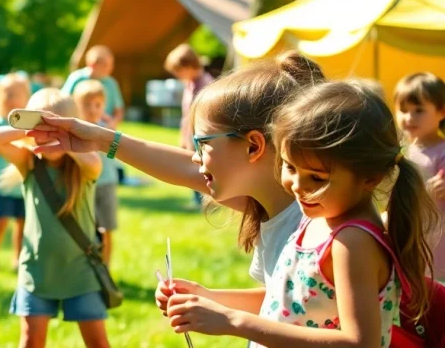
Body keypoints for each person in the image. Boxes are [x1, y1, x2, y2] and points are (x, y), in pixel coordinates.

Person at [29, 52, 325, 320]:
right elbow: (284, 301)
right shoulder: (272, 206)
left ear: (253, 147)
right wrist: (206, 298)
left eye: (203, 144)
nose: (195, 157)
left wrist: (230, 322)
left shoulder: (320, 228)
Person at [161, 81, 438, 347]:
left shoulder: (351, 243)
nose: (297, 186)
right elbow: (290, 301)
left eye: (317, 178)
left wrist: (233, 321)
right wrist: (210, 299)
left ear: (370, 177)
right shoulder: (317, 217)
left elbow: (359, 342)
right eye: (290, 167)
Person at [0, 89, 110, 348]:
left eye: (58, 129)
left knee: (98, 343)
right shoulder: (30, 163)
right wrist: (32, 125)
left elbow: (95, 161)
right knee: (32, 341)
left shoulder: (85, 166)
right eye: (42, 128)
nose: (50, 136)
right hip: (37, 272)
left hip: (80, 270)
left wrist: (66, 138)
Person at [395, 72, 445, 281]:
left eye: (419, 111)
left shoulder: (442, 151)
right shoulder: (400, 152)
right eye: (403, 110)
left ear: (441, 111)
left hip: (438, 241)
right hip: (409, 235)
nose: (409, 117)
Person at [0, 73, 32, 274]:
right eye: (6, 93)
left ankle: (17, 257)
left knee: (21, 223)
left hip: (20, 181)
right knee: (1, 221)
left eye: (15, 93)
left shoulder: (28, 119)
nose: (10, 97)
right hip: (1, 182)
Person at [72, 80, 120, 267]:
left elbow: (116, 150)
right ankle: (85, 266)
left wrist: (111, 133)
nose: (92, 109)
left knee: (107, 228)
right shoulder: (76, 130)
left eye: (98, 105)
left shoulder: (107, 130)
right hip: (84, 185)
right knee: (84, 228)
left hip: (106, 184)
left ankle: (105, 268)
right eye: (86, 104)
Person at [164, 44, 215, 208]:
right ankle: (197, 200)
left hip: (201, 136)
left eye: (178, 70)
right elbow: (187, 115)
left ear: (188, 65)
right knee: (192, 166)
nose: (177, 75)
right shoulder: (190, 84)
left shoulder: (206, 85)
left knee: (201, 169)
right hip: (191, 134)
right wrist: (183, 137)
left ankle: (205, 201)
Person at [62, 45, 124, 126]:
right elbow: (63, 102)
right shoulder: (77, 78)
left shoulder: (111, 83)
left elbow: (119, 110)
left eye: (111, 65)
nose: (110, 68)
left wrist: (112, 124)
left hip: (103, 125)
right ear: (92, 64)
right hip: (79, 123)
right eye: (105, 65)